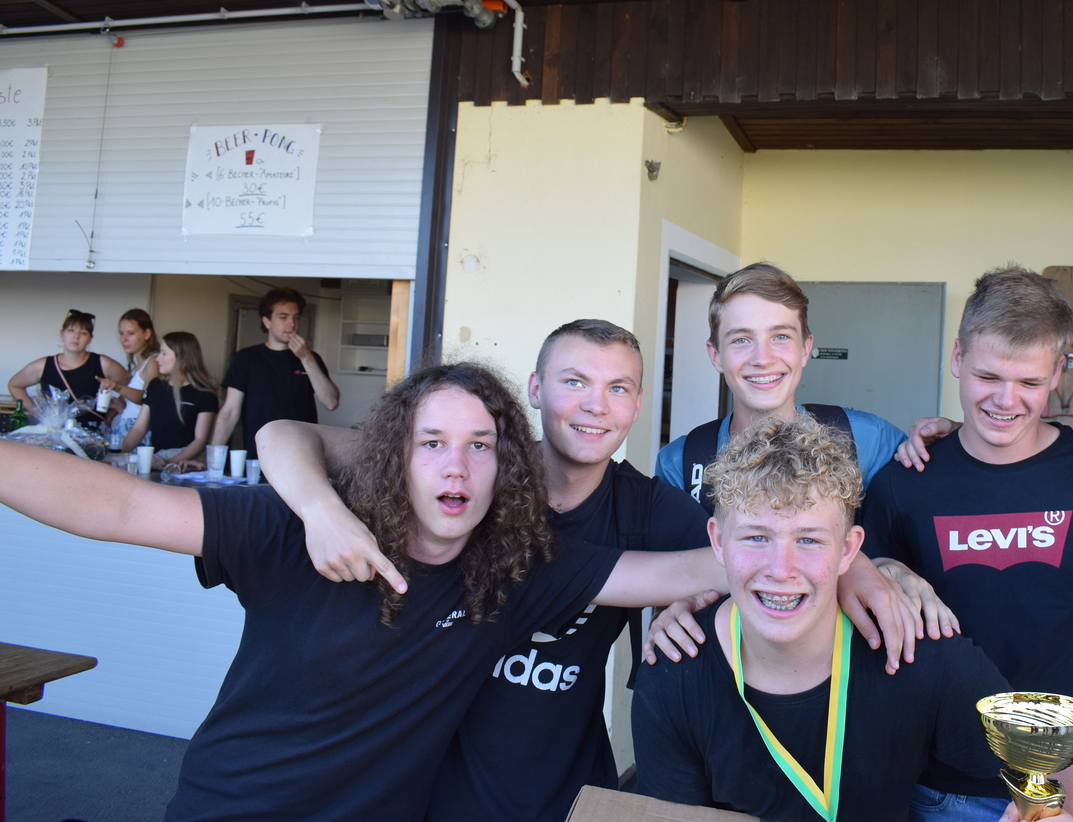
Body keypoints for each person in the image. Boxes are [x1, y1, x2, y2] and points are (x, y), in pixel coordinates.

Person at [0, 361, 765, 822]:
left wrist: (825, 557)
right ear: (393, 455)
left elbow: (689, 569)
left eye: (480, 447)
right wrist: (316, 509)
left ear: (506, 468)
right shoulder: (291, 530)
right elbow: (117, 506)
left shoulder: (518, 570)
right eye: (433, 444)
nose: (456, 467)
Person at [258, 322, 924, 822]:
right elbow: (285, 433)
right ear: (535, 390)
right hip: (427, 781)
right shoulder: (469, 470)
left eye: (618, 389)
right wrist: (322, 511)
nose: (595, 406)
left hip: (562, 786)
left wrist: (860, 570)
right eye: (574, 382)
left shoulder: (647, 509)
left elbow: (762, 550)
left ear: (637, 405)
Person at [633, 414, 1073, 822]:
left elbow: (1061, 768)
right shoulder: (674, 675)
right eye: (756, 537)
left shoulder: (910, 650)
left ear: (849, 549)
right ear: (717, 541)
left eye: (809, 540)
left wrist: (1058, 815)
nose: (781, 569)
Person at [859, 267, 1073, 822]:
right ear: (958, 357)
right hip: (944, 792)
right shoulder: (905, 482)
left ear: (1058, 370)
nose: (1005, 400)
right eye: (988, 376)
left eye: (1029, 382)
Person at [655, 263, 1073, 507]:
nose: (763, 358)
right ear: (714, 355)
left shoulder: (865, 439)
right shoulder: (680, 462)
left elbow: (967, 460)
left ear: (806, 348)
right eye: (741, 340)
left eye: (780, 337)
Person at [211, 286, 339, 456]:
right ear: (267, 322)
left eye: (296, 317)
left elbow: (331, 402)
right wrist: (210, 456)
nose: (292, 324)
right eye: (283, 317)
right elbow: (230, 412)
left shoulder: (312, 358)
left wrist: (306, 358)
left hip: (302, 453)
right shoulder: (246, 358)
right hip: (258, 454)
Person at [7, 309, 130, 425]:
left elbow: (131, 386)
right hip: (54, 433)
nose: (76, 336)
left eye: (83, 333)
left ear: (90, 339)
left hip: (93, 433)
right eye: (71, 331)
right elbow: (14, 385)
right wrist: (38, 413)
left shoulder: (103, 363)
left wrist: (114, 410)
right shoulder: (43, 365)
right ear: (62, 334)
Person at [121, 331, 218, 469]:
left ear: (183, 358)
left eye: (163, 353)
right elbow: (139, 428)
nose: (157, 358)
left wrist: (170, 463)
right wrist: (119, 452)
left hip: (187, 461)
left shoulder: (204, 394)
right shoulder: (155, 386)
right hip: (157, 457)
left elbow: (200, 441)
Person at [99, 307, 162, 428]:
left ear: (147, 334)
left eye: (131, 333)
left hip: (139, 431)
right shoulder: (136, 366)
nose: (124, 339)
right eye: (121, 333)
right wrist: (118, 405)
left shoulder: (153, 361)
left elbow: (148, 398)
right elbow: (134, 408)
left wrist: (116, 386)